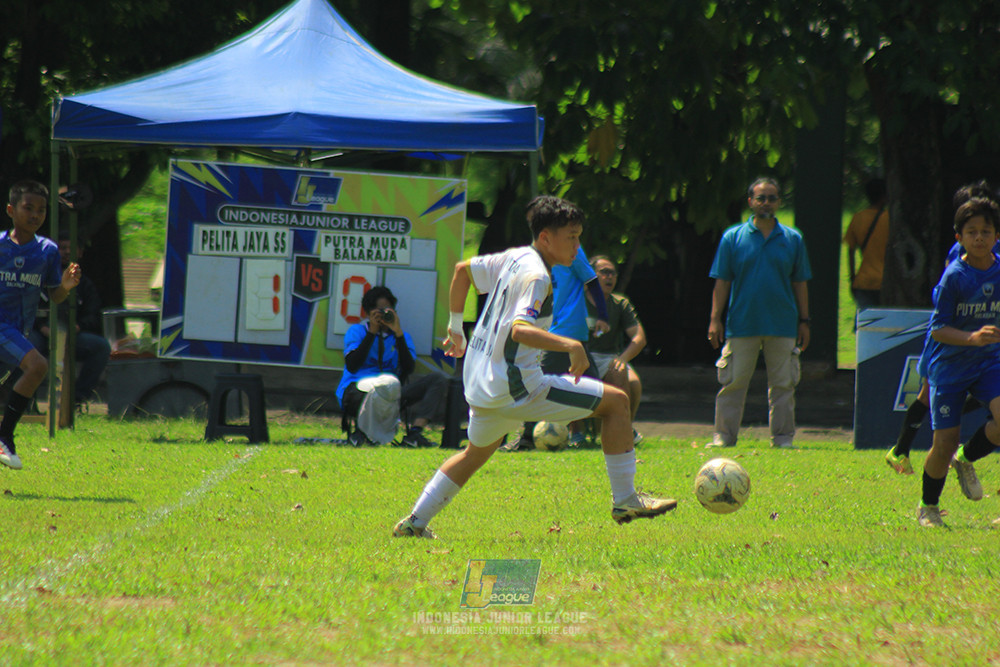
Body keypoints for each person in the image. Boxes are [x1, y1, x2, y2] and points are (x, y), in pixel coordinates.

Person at [392, 195, 677, 538]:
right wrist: (571, 345)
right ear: (546, 237)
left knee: (474, 454)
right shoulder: (536, 276)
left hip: (482, 385)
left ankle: (414, 523)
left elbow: (461, 272)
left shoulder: (515, 257)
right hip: (518, 388)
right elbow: (519, 330)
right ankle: (626, 499)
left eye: (578, 235)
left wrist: (455, 328)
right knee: (617, 402)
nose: (577, 245)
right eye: (571, 236)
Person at [884, 181, 996, 474]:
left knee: (936, 396)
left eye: (986, 227)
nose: (980, 233)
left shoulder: (993, 251)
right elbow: (946, 301)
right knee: (928, 393)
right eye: (972, 226)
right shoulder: (958, 256)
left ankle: (902, 449)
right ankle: (901, 449)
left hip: (983, 344)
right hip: (952, 338)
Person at [706, 177, 812, 449]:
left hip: (783, 323)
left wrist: (804, 320)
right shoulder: (733, 237)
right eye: (761, 197)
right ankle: (724, 436)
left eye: (772, 198)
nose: (766, 203)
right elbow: (722, 281)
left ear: (779, 202)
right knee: (733, 383)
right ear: (751, 201)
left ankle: (783, 438)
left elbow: (800, 282)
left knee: (783, 385)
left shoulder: (792, 238)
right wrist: (715, 319)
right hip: (742, 323)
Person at [915, 197, 1000, 527]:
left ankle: (966, 459)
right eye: (971, 232)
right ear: (959, 238)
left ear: (996, 236)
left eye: (986, 231)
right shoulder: (955, 277)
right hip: (950, 366)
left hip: (990, 363)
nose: (979, 237)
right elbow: (937, 330)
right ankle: (928, 506)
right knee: (943, 443)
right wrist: (971, 337)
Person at [0, 180, 81, 469]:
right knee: (38, 365)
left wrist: (67, 286)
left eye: (41, 210)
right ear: (11, 210)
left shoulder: (47, 251)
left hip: (18, 332)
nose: (35, 215)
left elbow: (55, 295)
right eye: (28, 208)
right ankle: (5, 436)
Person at [503, 245, 609, 450]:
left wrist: (603, 316)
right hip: (558, 330)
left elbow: (592, 281)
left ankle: (527, 437)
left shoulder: (573, 250)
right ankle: (603, 431)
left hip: (565, 330)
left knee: (536, 385)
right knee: (597, 390)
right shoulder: (539, 256)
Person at [335, 285, 448, 448]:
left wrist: (398, 333)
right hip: (357, 392)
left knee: (437, 380)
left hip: (391, 392)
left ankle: (415, 433)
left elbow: (408, 369)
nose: (383, 315)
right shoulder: (357, 331)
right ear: (368, 312)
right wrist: (371, 333)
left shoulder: (401, 336)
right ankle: (362, 433)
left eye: (387, 311)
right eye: (378, 311)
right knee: (374, 390)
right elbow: (352, 365)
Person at [29, 236, 111, 406]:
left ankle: (76, 400)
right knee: (25, 347)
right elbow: (28, 307)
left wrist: (78, 327)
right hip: (40, 333)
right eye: (62, 248)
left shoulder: (85, 284)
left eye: (71, 248)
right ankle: (28, 401)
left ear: (80, 252)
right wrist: (42, 327)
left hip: (71, 335)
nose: (66, 252)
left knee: (101, 347)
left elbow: (92, 313)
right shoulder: (38, 278)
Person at [586, 255, 646, 444]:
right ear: (591, 276)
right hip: (582, 355)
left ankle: (622, 428)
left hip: (610, 357)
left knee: (633, 383)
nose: (609, 277)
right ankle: (578, 432)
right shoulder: (577, 301)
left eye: (613, 273)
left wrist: (623, 359)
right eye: (604, 272)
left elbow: (639, 338)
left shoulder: (620, 303)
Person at [844, 178, 889, 321]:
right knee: (885, 324)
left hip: (863, 280)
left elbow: (850, 251)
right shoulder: (891, 219)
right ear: (884, 196)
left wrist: (852, 277)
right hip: (886, 281)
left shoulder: (858, 218)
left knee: (865, 324)